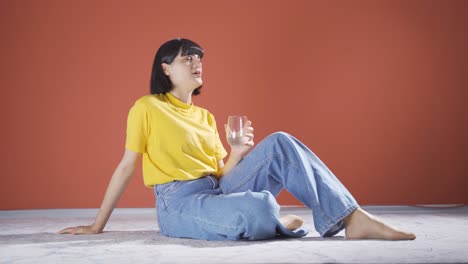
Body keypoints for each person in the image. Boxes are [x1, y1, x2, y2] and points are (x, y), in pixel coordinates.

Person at [59, 38, 416, 241]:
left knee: (280, 142)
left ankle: (351, 218)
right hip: (178, 203)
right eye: (187, 59)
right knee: (257, 206)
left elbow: (221, 173)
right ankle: (273, 217)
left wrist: (238, 152)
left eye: (199, 59)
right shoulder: (147, 107)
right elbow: (126, 166)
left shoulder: (205, 116)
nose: (197, 63)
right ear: (165, 68)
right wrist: (97, 224)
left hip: (217, 190)